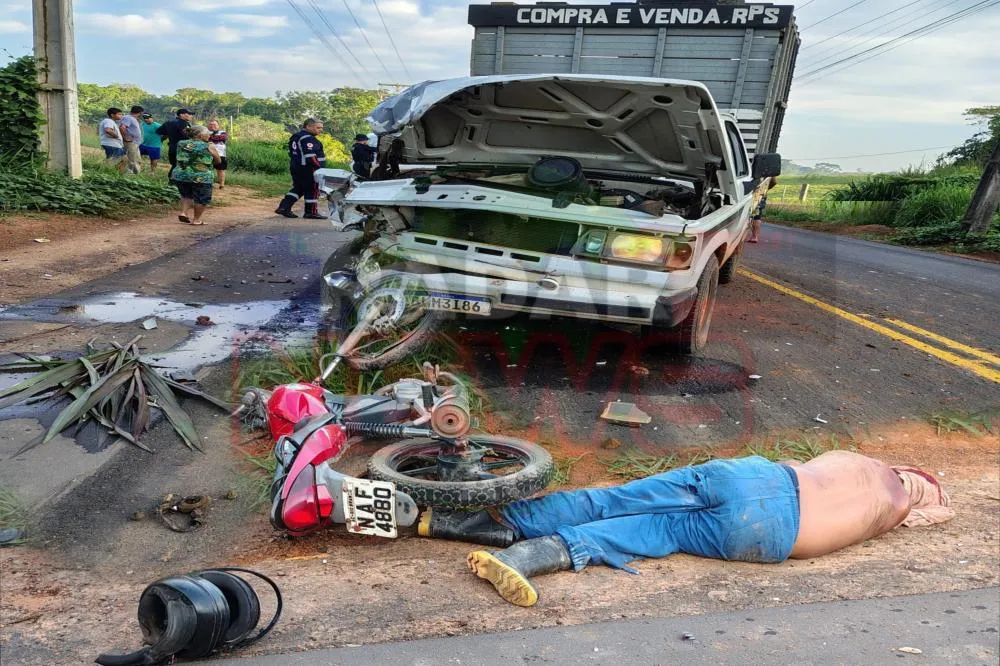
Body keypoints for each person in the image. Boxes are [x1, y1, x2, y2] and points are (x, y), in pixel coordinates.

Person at [417, 451, 955, 607]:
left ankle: (459, 522)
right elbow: (914, 515)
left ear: (907, 471)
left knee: (615, 499)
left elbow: (806, 465)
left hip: (759, 480)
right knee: (651, 534)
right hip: (774, 539)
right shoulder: (897, 513)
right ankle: (528, 559)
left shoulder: (866, 464)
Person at [274, 118, 327, 220]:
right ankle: (311, 212)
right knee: (312, 189)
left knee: (299, 188)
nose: (320, 130)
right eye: (318, 128)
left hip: (296, 167)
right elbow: (310, 156)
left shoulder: (295, 136)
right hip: (308, 168)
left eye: (321, 128)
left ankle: (284, 207)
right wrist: (319, 169)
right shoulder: (308, 138)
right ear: (308, 126)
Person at [172, 125, 221, 226]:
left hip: (181, 175)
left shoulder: (181, 143)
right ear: (200, 135)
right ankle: (196, 220)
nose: (209, 136)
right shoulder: (208, 145)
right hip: (201, 177)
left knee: (186, 195)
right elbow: (218, 160)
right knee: (201, 198)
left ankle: (184, 213)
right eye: (207, 134)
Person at [156, 108, 194, 177]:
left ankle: (171, 181)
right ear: (181, 114)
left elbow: (160, 132)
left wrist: (161, 141)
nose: (190, 116)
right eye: (188, 114)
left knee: (174, 165)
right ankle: (173, 181)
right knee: (181, 166)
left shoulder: (168, 122)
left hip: (172, 148)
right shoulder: (185, 124)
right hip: (182, 149)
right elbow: (188, 136)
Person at [749, 176, 777, 243]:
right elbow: (774, 182)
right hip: (761, 195)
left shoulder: (759, 168)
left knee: (755, 216)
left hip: (755, 196)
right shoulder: (769, 170)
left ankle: (754, 236)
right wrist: (766, 188)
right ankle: (754, 236)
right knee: (756, 216)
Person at [98, 108, 126, 174]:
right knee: (113, 161)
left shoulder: (112, 122)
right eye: (119, 114)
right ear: (112, 115)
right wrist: (117, 136)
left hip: (115, 145)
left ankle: (118, 175)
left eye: (121, 114)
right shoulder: (108, 121)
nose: (121, 115)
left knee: (123, 160)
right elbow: (108, 130)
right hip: (112, 144)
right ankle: (104, 173)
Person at [119, 105, 145, 174]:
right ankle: (131, 173)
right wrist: (125, 137)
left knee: (137, 159)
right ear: (140, 112)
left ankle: (135, 173)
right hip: (130, 142)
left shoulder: (133, 119)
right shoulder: (128, 118)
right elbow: (122, 127)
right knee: (132, 159)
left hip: (135, 143)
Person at [206, 119, 229, 189]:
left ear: (218, 126)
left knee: (220, 169)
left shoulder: (223, 132)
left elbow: (222, 138)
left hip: (220, 154)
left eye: (214, 125)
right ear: (208, 126)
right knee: (207, 169)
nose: (212, 126)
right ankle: (208, 183)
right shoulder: (205, 132)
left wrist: (209, 137)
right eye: (210, 124)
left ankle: (222, 185)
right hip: (207, 153)